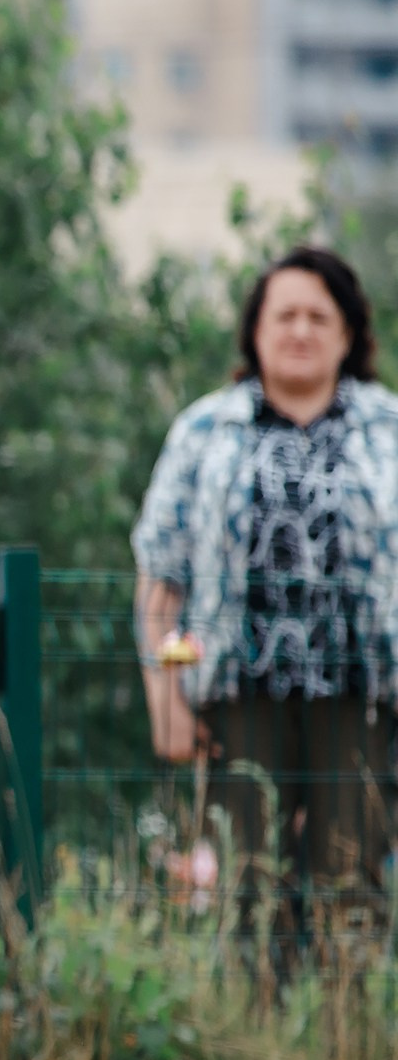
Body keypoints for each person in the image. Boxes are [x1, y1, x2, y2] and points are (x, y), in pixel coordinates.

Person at [134, 246, 396, 942]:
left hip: (361, 697)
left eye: (319, 315)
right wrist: (165, 697)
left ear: (347, 334)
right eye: (285, 314)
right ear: (255, 330)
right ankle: (252, 1043)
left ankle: (346, 1044)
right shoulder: (203, 430)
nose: (301, 330)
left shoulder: (390, 431)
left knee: (354, 886)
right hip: (238, 700)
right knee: (247, 890)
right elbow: (160, 573)